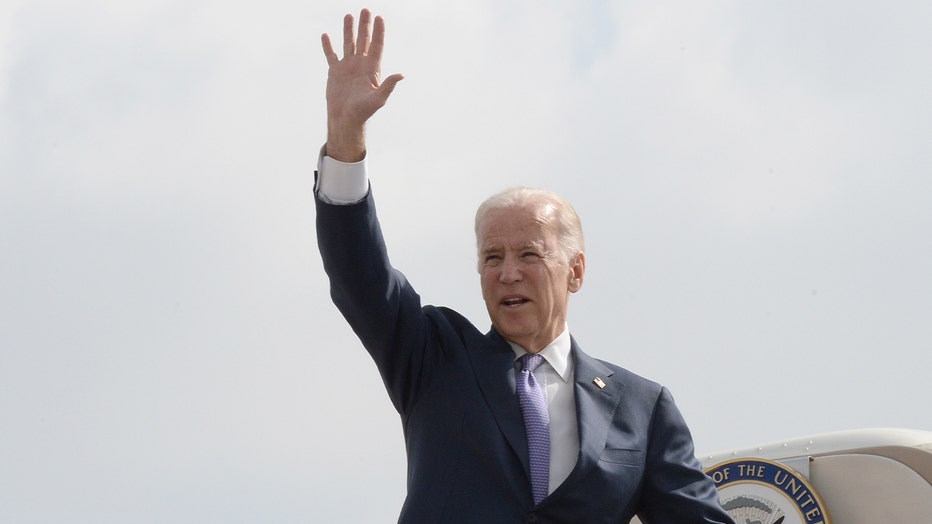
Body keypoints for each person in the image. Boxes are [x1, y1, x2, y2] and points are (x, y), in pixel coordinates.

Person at [315, 9, 734, 523]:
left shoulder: (641, 409)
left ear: (575, 271)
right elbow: (360, 277)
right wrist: (345, 139)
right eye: (492, 257)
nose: (507, 273)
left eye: (529, 255)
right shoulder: (434, 357)